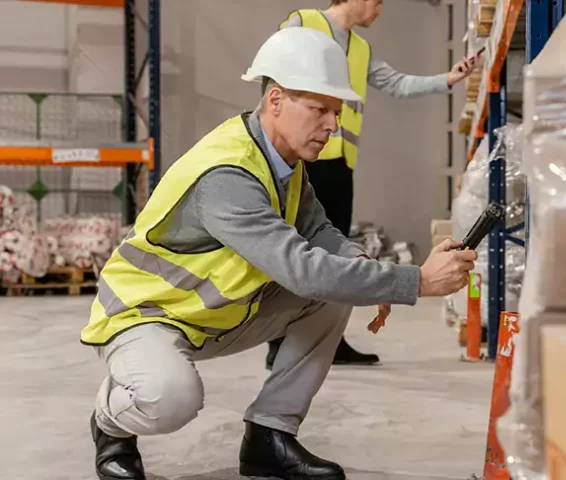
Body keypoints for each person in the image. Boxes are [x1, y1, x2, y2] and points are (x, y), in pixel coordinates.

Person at [82, 27, 476, 480]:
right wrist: (417, 281)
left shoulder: (284, 162)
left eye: (338, 112)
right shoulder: (228, 175)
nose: (333, 125)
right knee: (171, 399)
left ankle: (269, 436)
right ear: (275, 101)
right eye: (321, 110)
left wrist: (365, 268)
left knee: (337, 289)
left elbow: (317, 230)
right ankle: (109, 423)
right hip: (148, 315)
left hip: (215, 314)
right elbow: (303, 270)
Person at [268, 0, 479, 369]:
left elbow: (396, 84)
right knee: (291, 249)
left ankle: (330, 339)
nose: (380, 11)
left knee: (335, 252)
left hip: (337, 165)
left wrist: (448, 79)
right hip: (298, 158)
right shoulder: (303, 24)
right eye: (379, 2)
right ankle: (280, 341)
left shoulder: (361, 48)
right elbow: (275, 82)